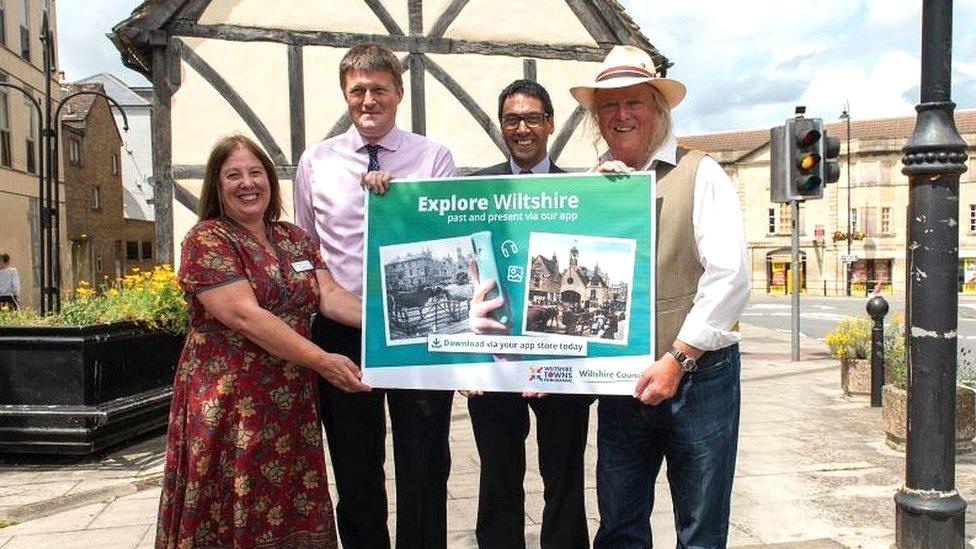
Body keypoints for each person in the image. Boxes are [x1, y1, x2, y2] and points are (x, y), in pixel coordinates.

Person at [569, 44, 750, 548]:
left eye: (634, 102)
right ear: (596, 118)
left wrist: (678, 357)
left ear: (659, 109)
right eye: (608, 105)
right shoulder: (589, 186)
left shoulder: (702, 172)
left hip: (699, 378)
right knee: (620, 523)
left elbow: (730, 277)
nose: (621, 115)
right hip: (621, 380)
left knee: (700, 525)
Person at [155, 134, 370, 548]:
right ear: (217, 187)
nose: (247, 183)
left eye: (256, 172)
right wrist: (324, 360)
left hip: (290, 403)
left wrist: (392, 324)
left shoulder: (295, 238)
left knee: (289, 501)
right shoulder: (206, 240)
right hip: (231, 404)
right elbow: (246, 316)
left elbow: (330, 296)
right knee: (233, 501)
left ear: (271, 180)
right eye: (233, 175)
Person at [293, 43, 456, 549]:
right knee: (356, 469)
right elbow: (308, 251)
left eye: (379, 89)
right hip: (344, 332)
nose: (368, 100)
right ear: (345, 94)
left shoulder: (433, 158)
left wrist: (402, 203)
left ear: (399, 92)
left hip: (420, 331)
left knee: (424, 464)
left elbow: (445, 236)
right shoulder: (315, 162)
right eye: (357, 90)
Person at [464, 79, 592, 549]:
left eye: (532, 118)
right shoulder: (474, 188)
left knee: (564, 478)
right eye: (512, 119)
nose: (522, 128)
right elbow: (466, 273)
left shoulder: (582, 191)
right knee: (497, 478)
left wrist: (620, 184)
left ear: (550, 124)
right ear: (501, 126)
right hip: (494, 363)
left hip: (559, 363)